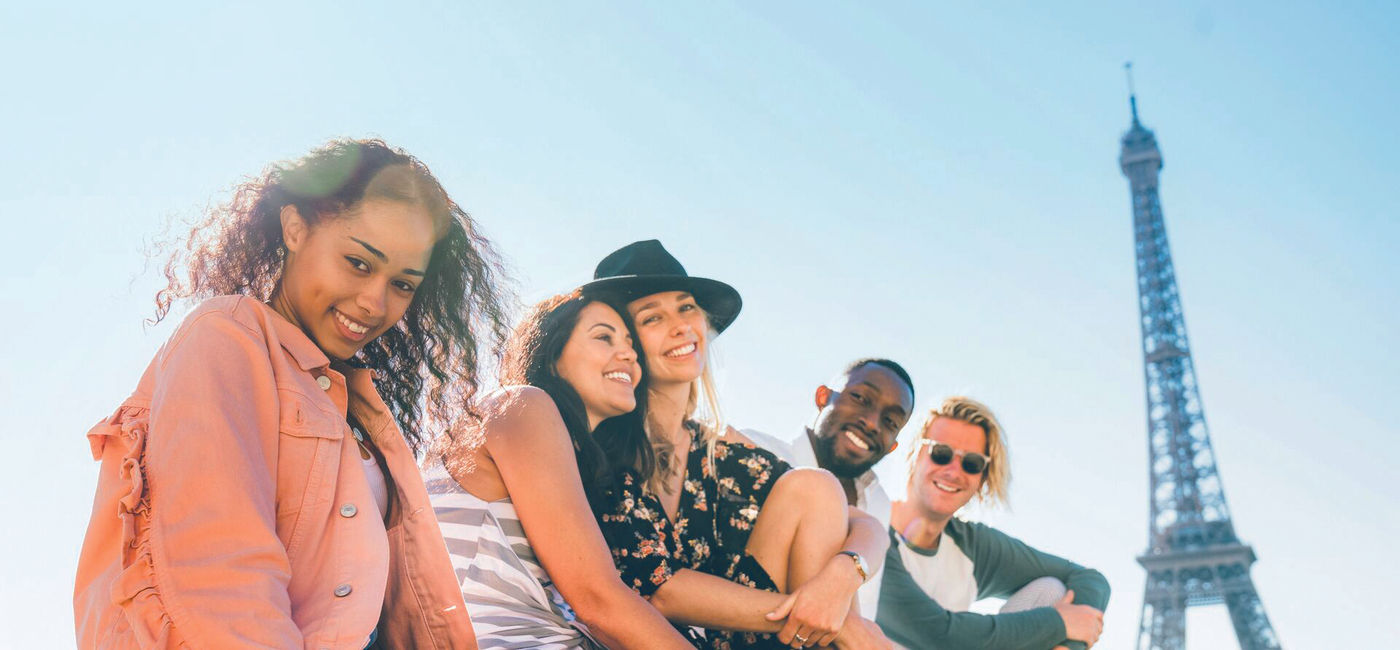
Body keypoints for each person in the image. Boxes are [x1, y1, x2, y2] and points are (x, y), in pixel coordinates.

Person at [74, 139, 509, 649]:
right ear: (295, 228)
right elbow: (219, 572)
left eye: (403, 285)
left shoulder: (357, 407)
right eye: (359, 262)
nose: (375, 302)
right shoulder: (227, 335)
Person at [584, 240, 892, 649]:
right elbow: (661, 589)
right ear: (624, 341)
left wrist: (840, 578)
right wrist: (827, 618)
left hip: (745, 636)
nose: (680, 326)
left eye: (686, 307)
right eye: (653, 317)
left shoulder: (714, 447)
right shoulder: (601, 440)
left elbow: (866, 525)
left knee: (814, 487)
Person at [426, 290, 692, 649]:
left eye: (631, 345)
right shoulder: (521, 405)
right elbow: (597, 599)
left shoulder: (575, 461)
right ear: (552, 356)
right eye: (603, 337)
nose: (629, 353)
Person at [876, 397, 1110, 650]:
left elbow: (1089, 579)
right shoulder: (870, 531)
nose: (954, 472)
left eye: (972, 463)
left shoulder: (973, 545)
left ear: (983, 479)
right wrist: (1059, 623)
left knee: (1051, 590)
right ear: (913, 455)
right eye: (941, 453)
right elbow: (938, 635)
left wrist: (1069, 646)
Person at [744, 358, 917, 618]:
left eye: (890, 422)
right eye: (860, 397)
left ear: (893, 445)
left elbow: (864, 608)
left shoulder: (877, 502)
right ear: (823, 396)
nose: (872, 423)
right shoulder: (754, 451)